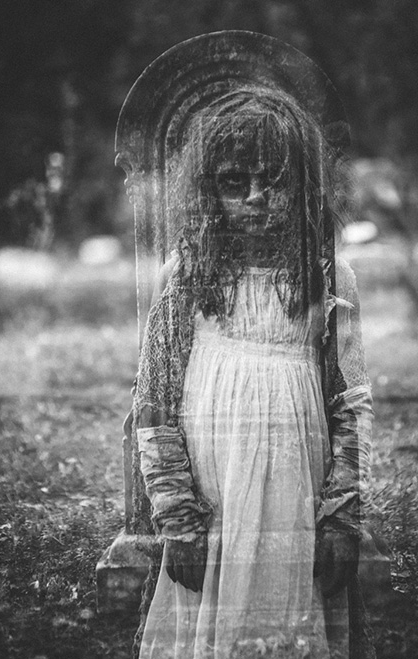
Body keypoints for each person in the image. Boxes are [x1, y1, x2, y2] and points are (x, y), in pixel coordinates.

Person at [130, 87, 374, 657]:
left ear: (304, 186)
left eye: (275, 181)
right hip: (211, 509)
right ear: (209, 191)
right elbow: (155, 403)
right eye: (234, 183)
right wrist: (178, 519)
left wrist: (340, 519)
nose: (257, 199)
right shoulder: (186, 277)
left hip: (297, 503)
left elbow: (351, 405)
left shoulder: (329, 280)